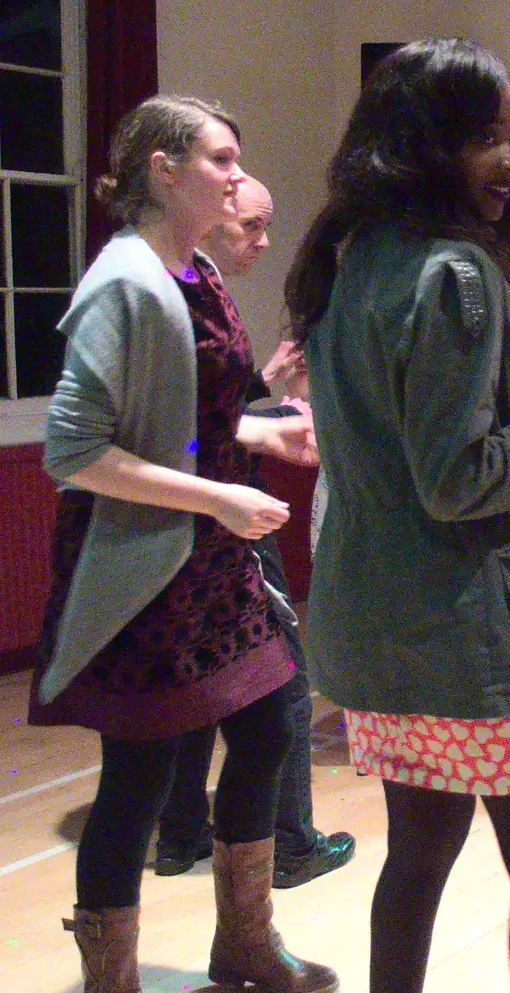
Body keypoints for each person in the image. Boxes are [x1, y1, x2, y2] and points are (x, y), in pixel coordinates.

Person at [283, 38, 510, 993]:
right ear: (424, 141)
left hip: (389, 638)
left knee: (417, 856)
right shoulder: (457, 273)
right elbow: (458, 477)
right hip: (486, 643)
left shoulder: (353, 264)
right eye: (488, 137)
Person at [31, 96, 335, 993]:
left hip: (206, 560)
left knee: (272, 721)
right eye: (223, 160)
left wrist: (258, 432)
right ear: (163, 170)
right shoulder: (125, 282)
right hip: (148, 572)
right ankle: (111, 980)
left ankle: (243, 943)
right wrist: (220, 492)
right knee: (141, 778)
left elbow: (186, 423)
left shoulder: (194, 271)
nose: (239, 178)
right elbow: (75, 451)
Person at [152, 175, 356, 888]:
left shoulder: (189, 278)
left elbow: (201, 414)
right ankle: (292, 841)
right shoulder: (163, 284)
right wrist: (265, 423)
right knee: (281, 680)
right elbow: (168, 432)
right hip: (217, 516)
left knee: (199, 677)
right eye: (253, 225)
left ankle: (180, 833)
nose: (264, 242)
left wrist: (262, 390)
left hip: (199, 515)